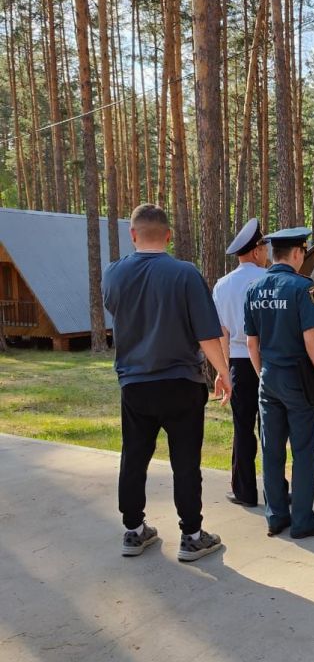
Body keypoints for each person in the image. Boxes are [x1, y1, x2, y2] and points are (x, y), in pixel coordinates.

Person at [102, 203, 232, 563]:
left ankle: (133, 530)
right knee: (186, 462)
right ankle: (191, 535)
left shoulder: (113, 275)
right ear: (169, 235)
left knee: (134, 457)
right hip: (180, 383)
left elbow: (123, 314)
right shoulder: (185, 274)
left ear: (132, 234)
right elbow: (206, 334)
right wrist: (223, 372)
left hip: (135, 384)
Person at [244, 227, 314, 539]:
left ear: (272, 254)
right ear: (298, 253)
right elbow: (312, 341)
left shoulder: (254, 289)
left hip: (268, 377)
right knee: (303, 449)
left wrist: (262, 376)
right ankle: (302, 521)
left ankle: (275, 516)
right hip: (299, 380)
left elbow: (251, 343)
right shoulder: (303, 287)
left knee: (271, 450)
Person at [212, 218, 269, 507]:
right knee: (272, 429)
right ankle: (276, 491)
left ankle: (244, 491)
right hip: (269, 362)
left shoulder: (222, 286)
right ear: (257, 250)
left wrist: (223, 371)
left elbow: (220, 333)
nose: (268, 252)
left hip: (237, 362)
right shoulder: (268, 280)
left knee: (242, 428)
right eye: (265, 246)